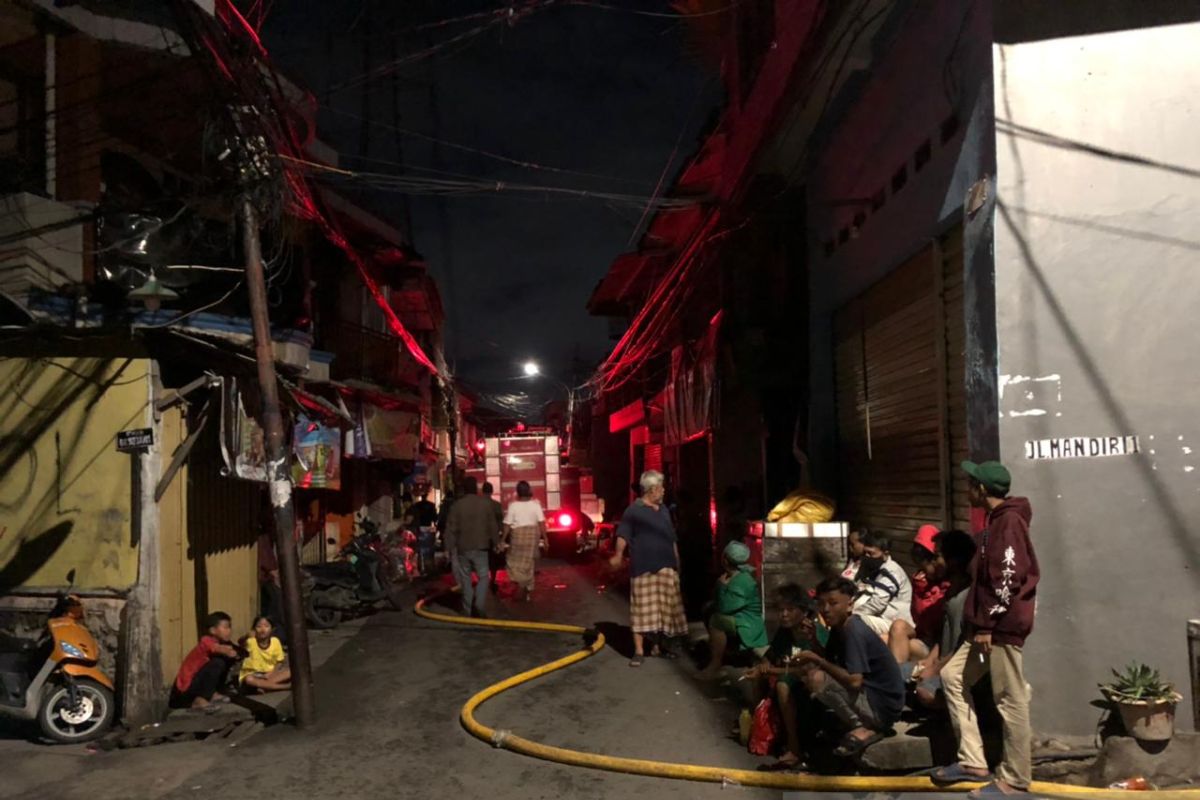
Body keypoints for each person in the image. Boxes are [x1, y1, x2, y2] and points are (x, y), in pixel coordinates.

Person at [933, 461, 1039, 798]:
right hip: (986, 627)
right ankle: (972, 760)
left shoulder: (1008, 523)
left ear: (982, 489)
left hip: (999, 629)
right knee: (953, 677)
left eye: (970, 484)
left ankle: (1015, 779)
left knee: (1010, 699)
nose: (966, 489)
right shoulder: (996, 521)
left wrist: (988, 623)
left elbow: (1007, 579)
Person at [790, 577, 904, 757]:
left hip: (881, 707)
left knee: (817, 678)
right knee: (811, 675)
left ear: (849, 605)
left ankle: (864, 726)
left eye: (833, 603)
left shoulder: (853, 630)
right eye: (821, 604)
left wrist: (817, 660)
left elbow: (854, 681)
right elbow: (830, 660)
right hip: (872, 699)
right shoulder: (839, 627)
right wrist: (812, 640)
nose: (826, 609)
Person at [608, 470, 687, 667]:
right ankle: (639, 651)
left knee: (664, 610)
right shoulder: (633, 511)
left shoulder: (664, 511)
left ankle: (658, 647)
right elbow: (623, 535)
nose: (663, 492)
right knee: (641, 610)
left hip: (666, 566)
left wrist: (677, 560)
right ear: (652, 490)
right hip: (643, 567)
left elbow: (672, 537)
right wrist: (618, 555)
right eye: (661, 489)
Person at [742, 584, 823, 771]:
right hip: (791, 675)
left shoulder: (812, 632)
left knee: (782, 685)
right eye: (780, 610)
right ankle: (761, 731)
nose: (784, 614)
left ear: (803, 611)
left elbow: (805, 670)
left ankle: (795, 748)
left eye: (790, 609)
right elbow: (770, 656)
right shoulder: (785, 631)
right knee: (758, 675)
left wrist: (770, 671)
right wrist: (763, 666)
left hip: (812, 679)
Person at [906, 530, 976, 710]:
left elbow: (966, 645)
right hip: (941, 663)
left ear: (954, 560)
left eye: (937, 556)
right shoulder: (951, 590)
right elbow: (943, 634)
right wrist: (930, 660)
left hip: (957, 669)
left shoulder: (969, 595)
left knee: (925, 692)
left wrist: (935, 669)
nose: (934, 562)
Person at [698, 540, 768, 680]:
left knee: (717, 620)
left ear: (725, 560)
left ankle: (716, 664)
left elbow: (725, 608)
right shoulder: (735, 575)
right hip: (739, 617)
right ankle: (724, 653)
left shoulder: (742, 580)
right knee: (708, 609)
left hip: (748, 624)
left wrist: (721, 586)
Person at [889, 524, 951, 664]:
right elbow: (919, 618)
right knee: (894, 629)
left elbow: (938, 623)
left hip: (939, 645)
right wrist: (922, 589)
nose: (923, 571)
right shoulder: (921, 582)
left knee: (905, 646)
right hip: (924, 636)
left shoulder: (951, 586)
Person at [445, 476, 502, 618]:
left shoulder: (457, 506)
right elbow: (492, 526)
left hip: (463, 548)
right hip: (481, 547)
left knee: (465, 579)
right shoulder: (485, 504)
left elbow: (450, 529)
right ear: (476, 488)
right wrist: (497, 543)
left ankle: (467, 608)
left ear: (464, 489)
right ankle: (480, 604)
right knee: (483, 576)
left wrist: (448, 548)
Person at [171, 612, 243, 709]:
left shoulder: (222, 642)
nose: (229, 631)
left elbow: (241, 652)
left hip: (194, 686)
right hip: (184, 690)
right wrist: (229, 652)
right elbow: (218, 648)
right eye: (225, 627)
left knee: (225, 661)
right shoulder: (206, 640)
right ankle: (200, 699)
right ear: (213, 630)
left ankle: (213, 692)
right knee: (218, 662)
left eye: (229, 627)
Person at [852, 531, 913, 640]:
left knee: (855, 621)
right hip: (881, 618)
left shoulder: (891, 572)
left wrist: (853, 614)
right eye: (865, 553)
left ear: (885, 553)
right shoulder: (872, 567)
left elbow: (877, 603)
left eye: (871, 554)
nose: (867, 557)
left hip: (895, 623)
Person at [502, 480, 547, 602]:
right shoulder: (536, 505)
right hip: (532, 538)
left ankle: (521, 584)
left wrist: (502, 540)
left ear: (517, 492)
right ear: (529, 491)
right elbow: (541, 523)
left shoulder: (513, 506)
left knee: (513, 562)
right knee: (529, 563)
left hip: (517, 538)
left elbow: (507, 525)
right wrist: (546, 539)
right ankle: (528, 589)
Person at [238, 615, 290, 693]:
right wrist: (246, 636)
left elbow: (279, 661)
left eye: (266, 626)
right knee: (249, 680)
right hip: (253, 674)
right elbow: (240, 642)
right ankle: (283, 687)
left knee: (290, 672)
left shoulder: (275, 641)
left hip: (269, 674)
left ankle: (265, 686)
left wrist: (272, 673)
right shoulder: (251, 641)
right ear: (254, 629)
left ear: (272, 629)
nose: (263, 629)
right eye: (259, 627)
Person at [407, 487, 438, 576]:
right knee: (428, 549)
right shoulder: (431, 505)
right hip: (428, 527)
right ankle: (429, 567)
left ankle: (422, 567)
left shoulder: (417, 506)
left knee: (420, 549)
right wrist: (435, 526)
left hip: (420, 528)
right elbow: (435, 517)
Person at [482, 482, 505, 593]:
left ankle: (483, 580)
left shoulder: (478, 505)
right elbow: (501, 522)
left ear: (482, 491)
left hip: (480, 537)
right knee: (493, 561)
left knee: (482, 560)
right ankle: (493, 580)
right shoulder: (496, 505)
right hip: (493, 537)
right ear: (491, 492)